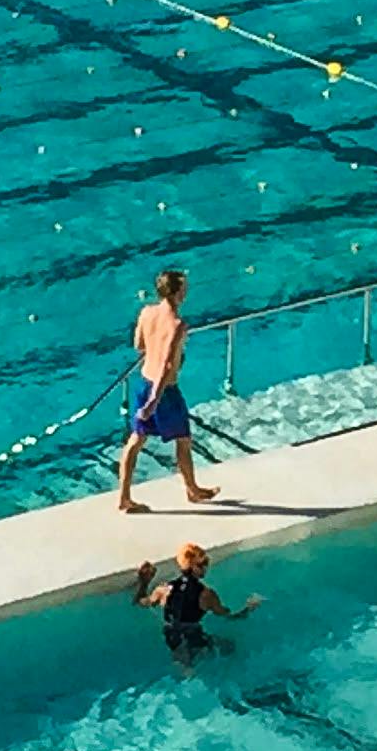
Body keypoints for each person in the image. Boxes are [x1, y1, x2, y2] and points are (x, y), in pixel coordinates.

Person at [115, 270, 219, 514]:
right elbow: (167, 366)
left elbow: (138, 345)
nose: (187, 292)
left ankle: (124, 497)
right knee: (183, 439)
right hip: (164, 390)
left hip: (144, 382)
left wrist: (156, 349)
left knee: (135, 441)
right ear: (176, 292)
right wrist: (155, 399)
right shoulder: (178, 325)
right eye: (184, 288)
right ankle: (192, 489)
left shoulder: (146, 313)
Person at [135, 541, 257, 661]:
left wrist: (144, 581)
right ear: (194, 567)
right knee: (229, 646)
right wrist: (249, 607)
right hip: (193, 637)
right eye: (204, 563)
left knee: (186, 671)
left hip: (171, 638)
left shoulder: (163, 589)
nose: (206, 567)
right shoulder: (206, 594)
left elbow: (141, 602)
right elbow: (229, 616)